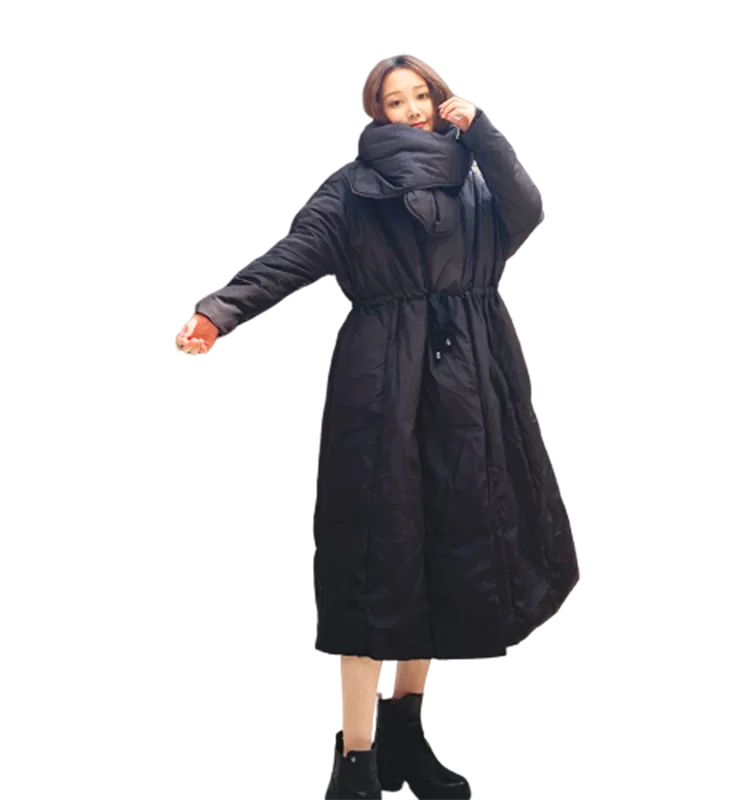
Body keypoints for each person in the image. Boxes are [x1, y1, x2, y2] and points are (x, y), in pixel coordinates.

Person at [175, 54, 581, 800]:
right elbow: (289, 255)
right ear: (377, 113)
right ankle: (356, 764)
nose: (412, 109)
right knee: (376, 565)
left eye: (421, 94)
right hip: (383, 386)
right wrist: (217, 311)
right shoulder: (352, 191)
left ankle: (405, 739)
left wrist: (484, 133)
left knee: (447, 558)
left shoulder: (475, 179)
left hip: (469, 388)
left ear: (440, 99)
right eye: (396, 101)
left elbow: (527, 212)